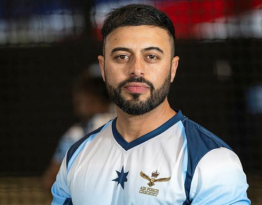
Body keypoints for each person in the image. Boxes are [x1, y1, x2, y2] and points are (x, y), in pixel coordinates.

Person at [52, 4, 250, 205]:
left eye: (151, 57)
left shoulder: (211, 161)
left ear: (173, 68)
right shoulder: (76, 155)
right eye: (122, 57)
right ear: (103, 68)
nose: (136, 70)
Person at [42, 74, 115, 192]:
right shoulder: (133, 125)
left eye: (82, 94)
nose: (76, 100)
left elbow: (49, 181)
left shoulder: (76, 134)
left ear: (93, 98)